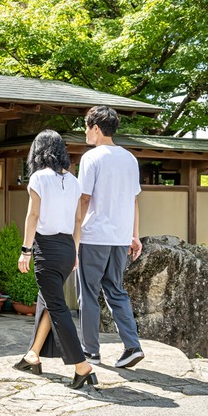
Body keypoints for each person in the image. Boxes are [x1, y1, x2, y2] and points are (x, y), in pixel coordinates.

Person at [12, 130, 97, 390]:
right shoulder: (73, 181)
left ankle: (82, 367)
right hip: (67, 247)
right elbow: (77, 221)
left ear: (38, 152)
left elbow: (33, 216)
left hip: (46, 248)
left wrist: (26, 250)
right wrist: (75, 250)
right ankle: (33, 355)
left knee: (57, 307)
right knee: (49, 300)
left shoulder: (38, 178)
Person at [76, 106, 144, 369]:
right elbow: (134, 200)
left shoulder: (91, 158)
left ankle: (91, 351)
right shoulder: (129, 158)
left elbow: (83, 199)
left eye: (86, 126)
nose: (85, 132)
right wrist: (134, 235)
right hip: (120, 238)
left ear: (95, 128)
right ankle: (132, 346)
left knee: (89, 294)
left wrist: (75, 234)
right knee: (116, 291)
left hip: (94, 237)